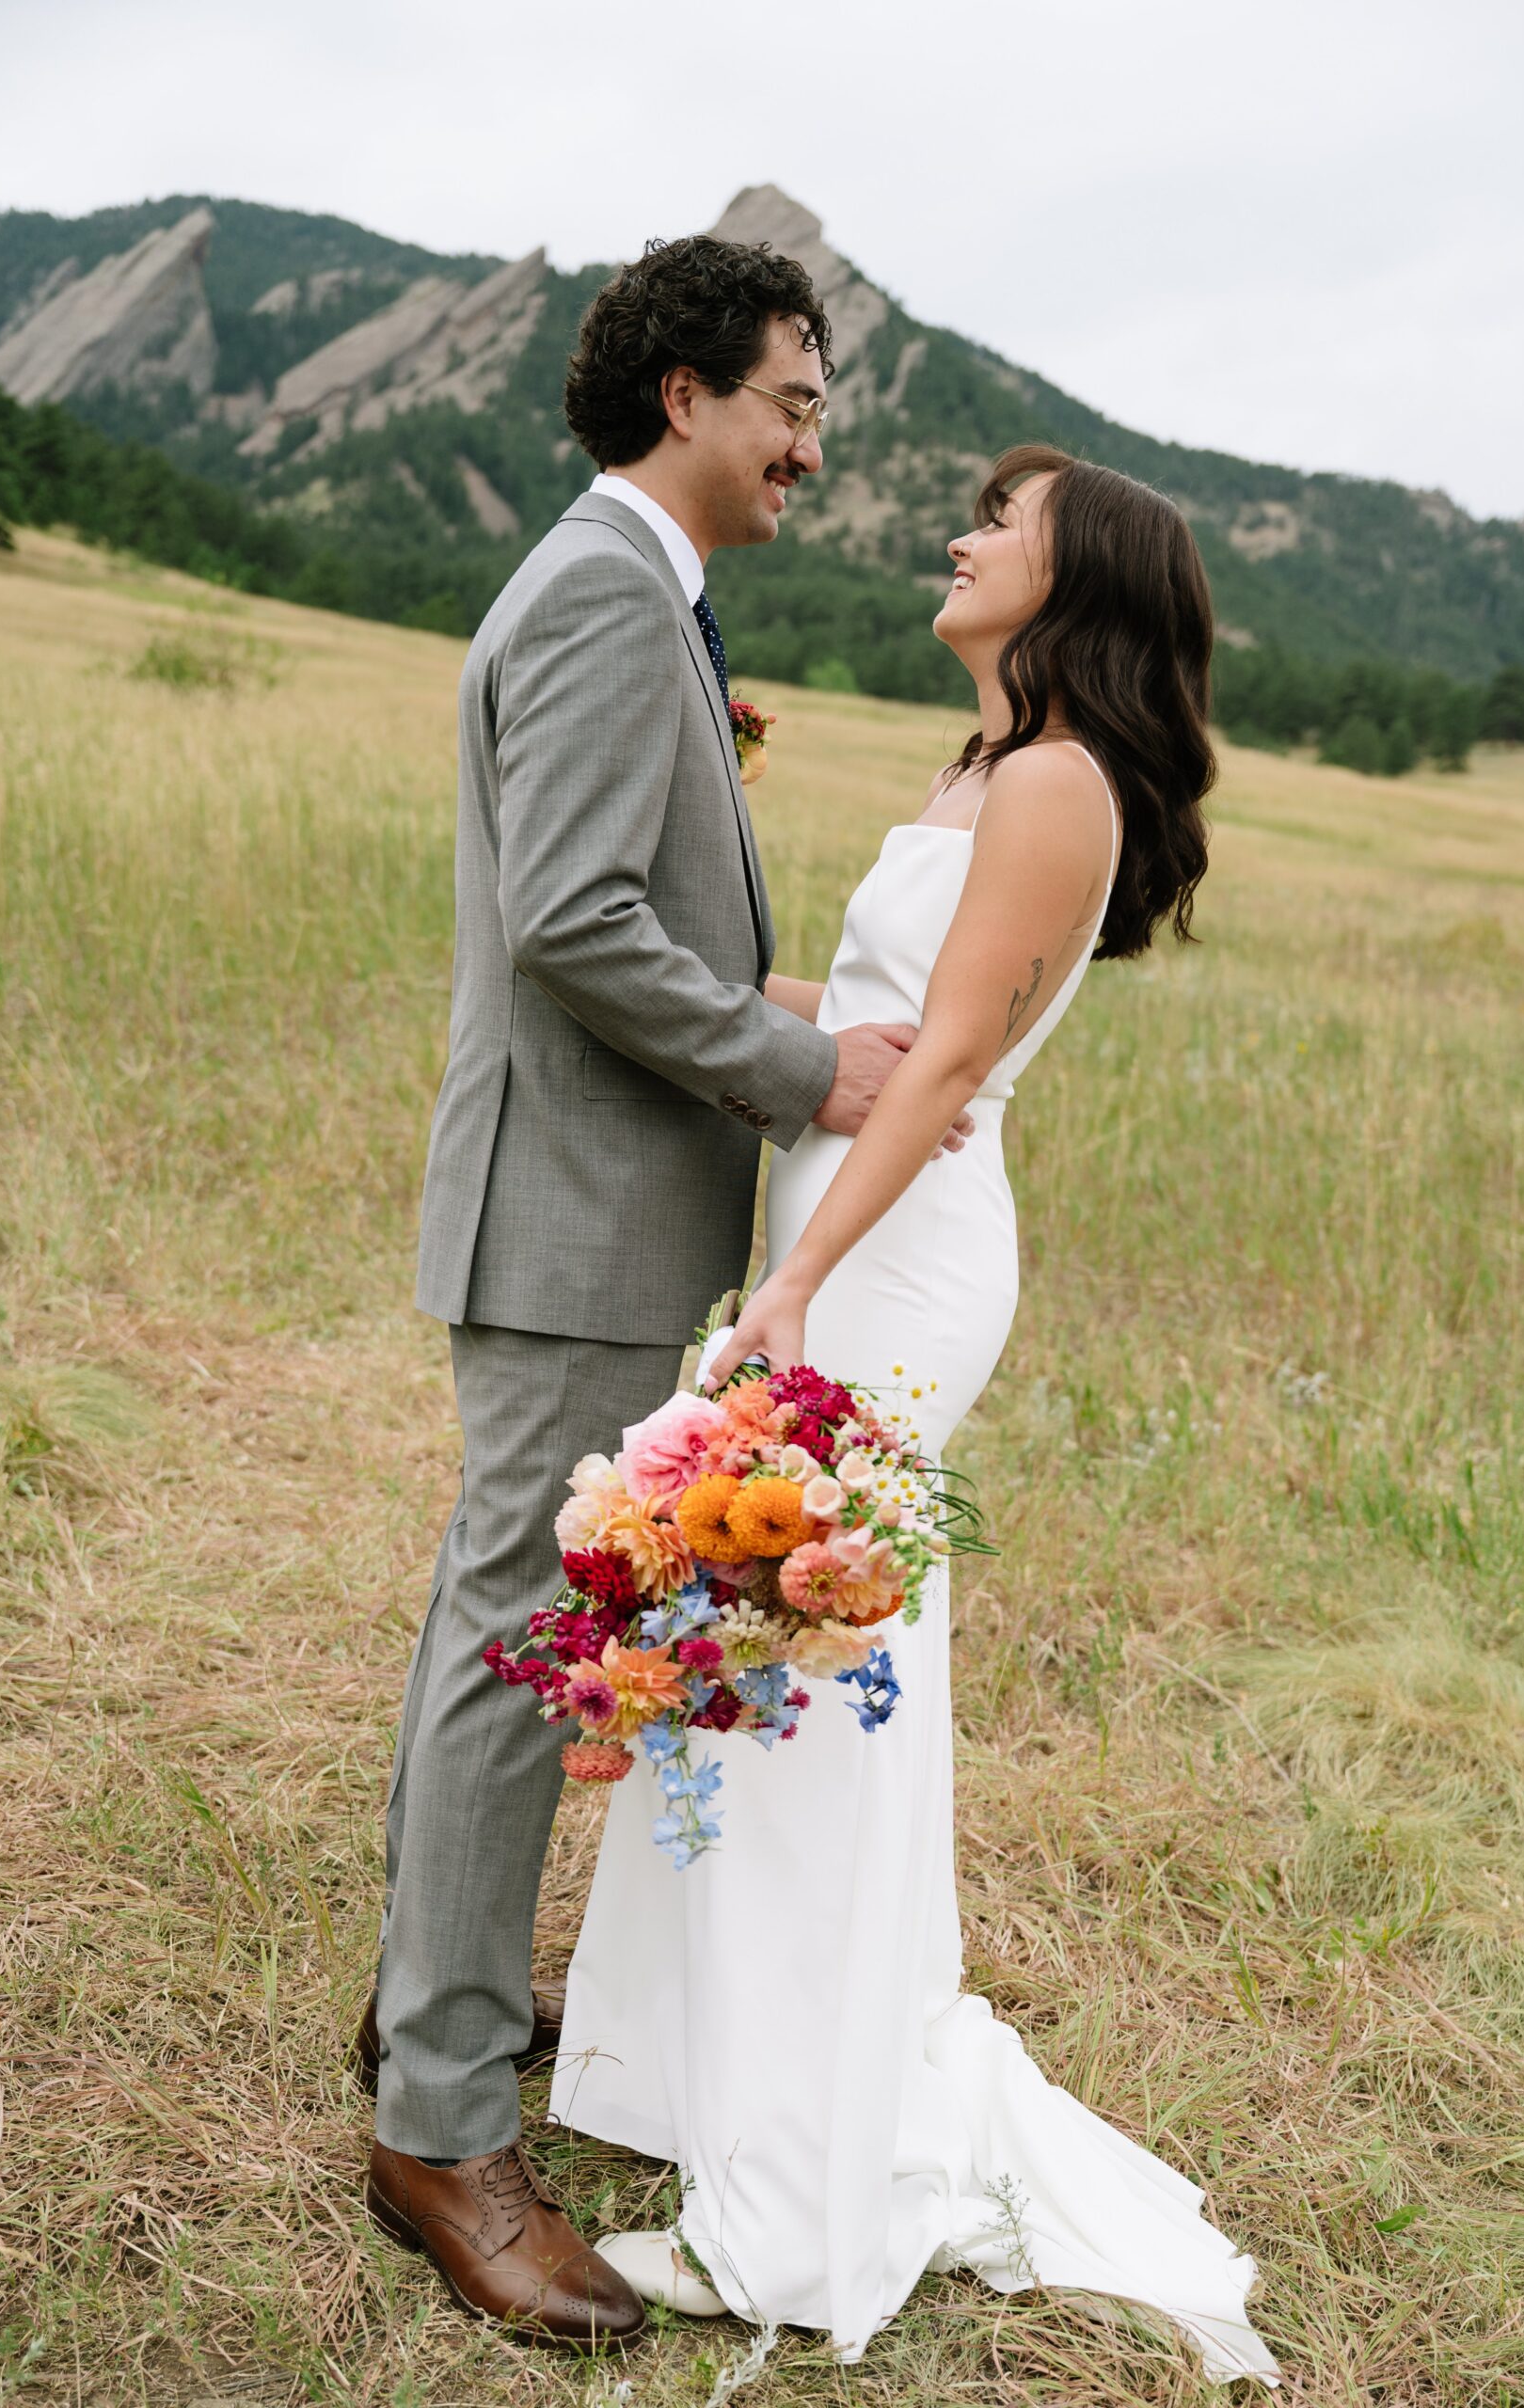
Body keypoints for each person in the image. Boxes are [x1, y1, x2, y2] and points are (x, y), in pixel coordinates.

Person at [551, 444, 1283, 2385]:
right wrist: (715, 997)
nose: (962, 537)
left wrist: (791, 1288)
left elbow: (954, 1056)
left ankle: (793, 2198)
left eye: (1002, 525)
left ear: (1069, 586)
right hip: (840, 1229)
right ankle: (725, 2080)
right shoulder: (980, 767)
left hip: (892, 1266)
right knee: (754, 1664)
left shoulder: (1056, 785)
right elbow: (880, 1015)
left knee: (802, 1670)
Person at [358, 232, 972, 2348]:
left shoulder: (632, 589)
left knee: (507, 1626)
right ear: (687, 396)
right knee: (515, 1635)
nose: (814, 443)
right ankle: (439, 2120)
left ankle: (431, 1996)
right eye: (796, 401)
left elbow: (632, 910)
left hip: (586, 1207)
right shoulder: (614, 592)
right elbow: (575, 926)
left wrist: (779, 989)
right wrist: (809, 1064)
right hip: (572, 1216)